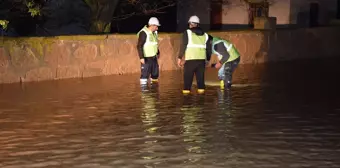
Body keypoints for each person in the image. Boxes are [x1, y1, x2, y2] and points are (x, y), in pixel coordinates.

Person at [177, 15, 212, 94]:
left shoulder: (187, 32)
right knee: (201, 83)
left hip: (190, 61)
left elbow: (183, 45)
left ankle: (186, 103)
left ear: (190, 24)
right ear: (198, 24)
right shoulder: (206, 35)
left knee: (187, 83)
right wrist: (208, 60)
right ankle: (201, 102)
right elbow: (208, 49)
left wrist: (179, 58)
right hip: (201, 61)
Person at [137, 17, 161, 85]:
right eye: (156, 26)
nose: (157, 28)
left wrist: (158, 52)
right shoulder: (143, 33)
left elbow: (154, 44)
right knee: (144, 76)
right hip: (146, 58)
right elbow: (139, 46)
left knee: (155, 75)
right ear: (152, 25)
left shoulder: (155, 33)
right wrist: (141, 57)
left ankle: (154, 92)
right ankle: (144, 93)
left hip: (154, 58)